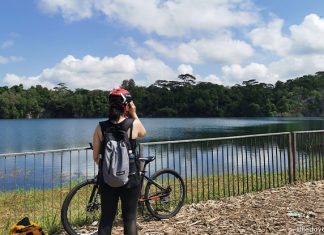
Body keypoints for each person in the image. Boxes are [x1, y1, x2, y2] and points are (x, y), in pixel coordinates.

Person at [92, 88, 146, 235]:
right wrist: (134, 113)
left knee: (106, 220)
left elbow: (96, 156)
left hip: (107, 180)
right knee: (129, 219)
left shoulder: (100, 127)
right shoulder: (132, 125)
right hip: (131, 178)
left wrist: (110, 169)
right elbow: (143, 132)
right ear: (126, 106)